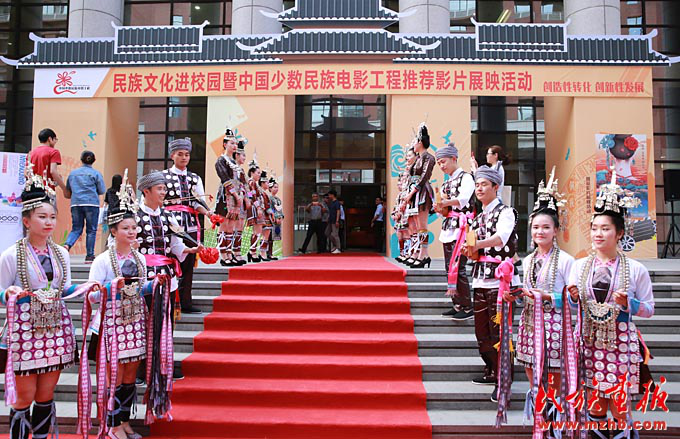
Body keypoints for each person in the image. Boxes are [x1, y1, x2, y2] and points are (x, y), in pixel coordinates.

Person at [0, 163, 99, 439]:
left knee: (45, 394)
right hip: (24, 331)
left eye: (53, 217)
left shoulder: (61, 254)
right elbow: (0, 289)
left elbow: (63, 289)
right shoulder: (11, 255)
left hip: (55, 329)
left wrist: (87, 289)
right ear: (26, 221)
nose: (48, 222)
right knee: (25, 395)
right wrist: (7, 294)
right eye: (42, 217)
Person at [567, 170, 654, 439]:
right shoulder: (579, 266)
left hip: (621, 342)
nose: (598, 234)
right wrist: (572, 298)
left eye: (605, 229)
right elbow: (573, 308)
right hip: (588, 340)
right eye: (594, 228)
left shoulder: (635, 269)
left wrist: (630, 303)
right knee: (594, 404)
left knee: (619, 405)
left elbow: (649, 309)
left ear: (619, 233)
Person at [81, 170, 156, 439]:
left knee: (129, 376)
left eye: (134, 228)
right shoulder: (103, 260)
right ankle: (111, 425)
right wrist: (111, 288)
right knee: (114, 375)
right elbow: (91, 295)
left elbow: (142, 288)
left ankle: (124, 422)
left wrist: (155, 286)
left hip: (134, 322)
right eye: (125, 228)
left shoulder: (140, 258)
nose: (131, 232)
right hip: (111, 324)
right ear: (113, 231)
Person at [509, 169, 574, 437]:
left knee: (553, 380)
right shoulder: (527, 260)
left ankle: (554, 426)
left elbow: (575, 299)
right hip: (529, 325)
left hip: (555, 326)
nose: (540, 231)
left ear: (556, 230)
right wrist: (514, 294)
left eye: (546, 227)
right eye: (536, 227)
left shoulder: (567, 261)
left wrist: (548, 297)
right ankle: (540, 424)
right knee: (532, 375)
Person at [135, 171, 203, 386]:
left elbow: (176, 246)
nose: (164, 192)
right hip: (142, 279)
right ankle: (141, 368)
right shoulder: (133, 216)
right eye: (159, 189)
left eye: (165, 188)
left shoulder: (168, 216)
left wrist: (191, 250)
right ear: (146, 191)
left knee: (166, 323)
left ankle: (164, 365)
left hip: (167, 278)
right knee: (144, 323)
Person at [463, 165, 520, 404]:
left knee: (500, 333)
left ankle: (504, 382)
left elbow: (500, 239)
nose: (479, 189)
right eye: (477, 185)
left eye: (484, 184)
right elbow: (474, 248)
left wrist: (477, 245)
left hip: (500, 281)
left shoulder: (506, 212)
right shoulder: (477, 217)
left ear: (496, 187)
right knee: (482, 332)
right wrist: (469, 250)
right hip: (480, 279)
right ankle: (492, 370)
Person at [162, 138, 210, 315]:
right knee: (169, 262)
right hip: (169, 226)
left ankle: (185, 301)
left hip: (189, 228)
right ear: (172, 156)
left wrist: (208, 213)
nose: (184, 158)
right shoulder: (163, 176)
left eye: (187, 155)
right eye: (180, 154)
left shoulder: (194, 178)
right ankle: (167, 300)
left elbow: (198, 202)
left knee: (188, 265)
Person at [434, 143, 475, 321]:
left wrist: (445, 203)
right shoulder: (447, 182)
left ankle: (467, 306)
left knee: (459, 267)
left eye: (443, 162)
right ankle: (457, 303)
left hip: (463, 228)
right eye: (439, 163)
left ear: (454, 159)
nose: (441, 166)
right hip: (450, 226)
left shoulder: (466, 178)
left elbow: (464, 199)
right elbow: (445, 209)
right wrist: (440, 208)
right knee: (449, 267)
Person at [64, 150, 106, 262]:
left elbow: (68, 188)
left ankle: (67, 245)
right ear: (94, 160)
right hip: (92, 203)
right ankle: (89, 255)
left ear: (81, 159)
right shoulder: (96, 174)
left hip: (76, 203)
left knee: (76, 228)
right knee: (91, 230)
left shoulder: (73, 174)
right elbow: (102, 190)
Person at [405, 123, 435, 268]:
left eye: (415, 141)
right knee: (416, 226)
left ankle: (423, 253)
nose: (413, 144)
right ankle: (419, 253)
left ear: (420, 142)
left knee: (422, 226)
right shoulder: (418, 159)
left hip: (422, 192)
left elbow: (424, 177)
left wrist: (411, 193)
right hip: (415, 193)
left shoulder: (429, 158)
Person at [214, 128, 244, 266]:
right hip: (226, 196)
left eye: (235, 143)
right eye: (232, 143)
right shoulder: (221, 160)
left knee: (232, 226)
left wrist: (241, 195)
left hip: (237, 197)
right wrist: (236, 194)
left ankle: (230, 252)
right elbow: (225, 179)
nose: (234, 145)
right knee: (224, 224)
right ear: (225, 144)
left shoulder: (235, 163)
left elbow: (242, 182)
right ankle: (223, 254)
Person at [27, 128, 69, 196]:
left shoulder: (31, 153)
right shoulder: (53, 152)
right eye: (55, 139)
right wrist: (65, 189)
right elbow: (53, 171)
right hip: (47, 191)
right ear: (49, 139)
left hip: (32, 191)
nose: (55, 142)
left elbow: (26, 173)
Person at [397, 145, 418, 264]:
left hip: (414, 202)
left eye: (409, 156)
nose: (407, 159)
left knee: (415, 230)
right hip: (407, 203)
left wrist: (407, 199)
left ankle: (416, 254)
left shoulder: (416, 169)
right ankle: (409, 253)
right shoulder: (409, 170)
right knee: (409, 231)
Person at [246, 157, 267, 263]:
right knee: (257, 231)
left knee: (257, 231)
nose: (259, 175)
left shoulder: (252, 183)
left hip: (255, 207)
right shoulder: (251, 183)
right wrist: (258, 207)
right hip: (255, 208)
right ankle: (252, 252)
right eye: (258, 173)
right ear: (252, 173)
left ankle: (253, 251)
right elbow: (252, 196)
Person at [232, 139, 249, 265]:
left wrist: (248, 198)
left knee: (240, 228)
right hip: (233, 200)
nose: (244, 158)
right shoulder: (232, 167)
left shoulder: (242, 171)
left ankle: (237, 251)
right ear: (237, 155)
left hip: (242, 201)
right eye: (243, 155)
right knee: (232, 227)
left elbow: (246, 187)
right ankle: (230, 252)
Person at [267, 176, 284, 260]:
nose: (276, 189)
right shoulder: (269, 198)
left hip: (277, 220)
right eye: (274, 187)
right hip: (271, 219)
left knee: (273, 237)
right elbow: (269, 208)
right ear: (270, 188)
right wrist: (275, 217)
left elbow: (280, 209)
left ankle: (270, 252)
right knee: (269, 237)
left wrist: (281, 217)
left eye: (277, 187)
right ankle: (268, 253)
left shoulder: (278, 199)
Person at [325, 190, 341, 254]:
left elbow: (338, 211)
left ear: (332, 195)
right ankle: (335, 245)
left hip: (335, 220)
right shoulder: (331, 203)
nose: (329, 196)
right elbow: (330, 212)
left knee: (335, 234)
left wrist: (337, 220)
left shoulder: (337, 202)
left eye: (329, 195)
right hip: (330, 220)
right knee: (327, 233)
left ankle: (338, 248)